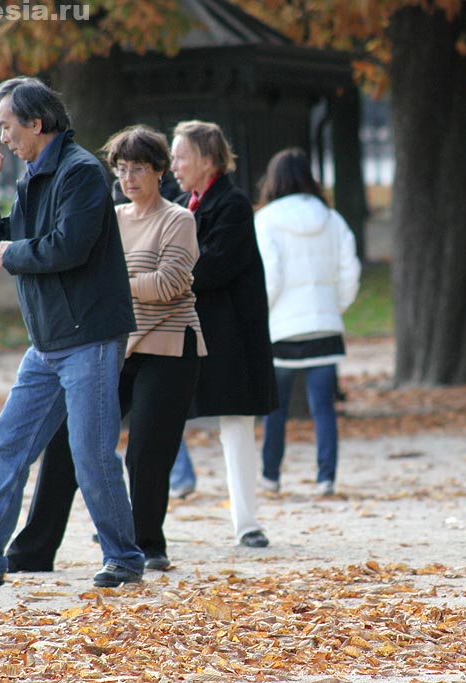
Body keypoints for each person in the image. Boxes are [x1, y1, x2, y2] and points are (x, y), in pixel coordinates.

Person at [0, 77, 145, 588]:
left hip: (89, 337)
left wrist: (11, 253)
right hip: (47, 343)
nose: (2, 137)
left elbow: (68, 247)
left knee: (91, 454)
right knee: (8, 447)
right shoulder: (30, 175)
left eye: (7, 125)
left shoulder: (81, 172)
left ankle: (125, 559)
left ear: (36, 123)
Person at [4, 125, 205, 572]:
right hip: (114, 344)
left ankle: (146, 544)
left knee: (145, 451)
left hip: (169, 347)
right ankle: (33, 550)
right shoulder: (111, 217)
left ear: (159, 171)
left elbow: (171, 284)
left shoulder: (179, 219)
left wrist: (112, 288)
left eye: (138, 168)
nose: (128, 177)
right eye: (121, 168)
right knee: (67, 445)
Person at [170, 120, 277, 548]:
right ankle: (143, 524)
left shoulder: (231, 205)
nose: (173, 165)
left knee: (236, 423)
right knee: (157, 414)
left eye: (180, 157)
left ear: (208, 160)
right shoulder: (179, 204)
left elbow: (210, 267)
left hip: (229, 335)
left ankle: (246, 523)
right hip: (184, 328)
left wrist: (166, 276)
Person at [253, 148, 361, 496]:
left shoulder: (266, 220)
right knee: (324, 408)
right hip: (324, 323)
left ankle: (271, 475)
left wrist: (263, 314)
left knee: (276, 408)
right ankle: (326, 478)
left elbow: (271, 277)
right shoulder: (332, 219)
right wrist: (333, 307)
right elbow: (350, 272)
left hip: (282, 326)